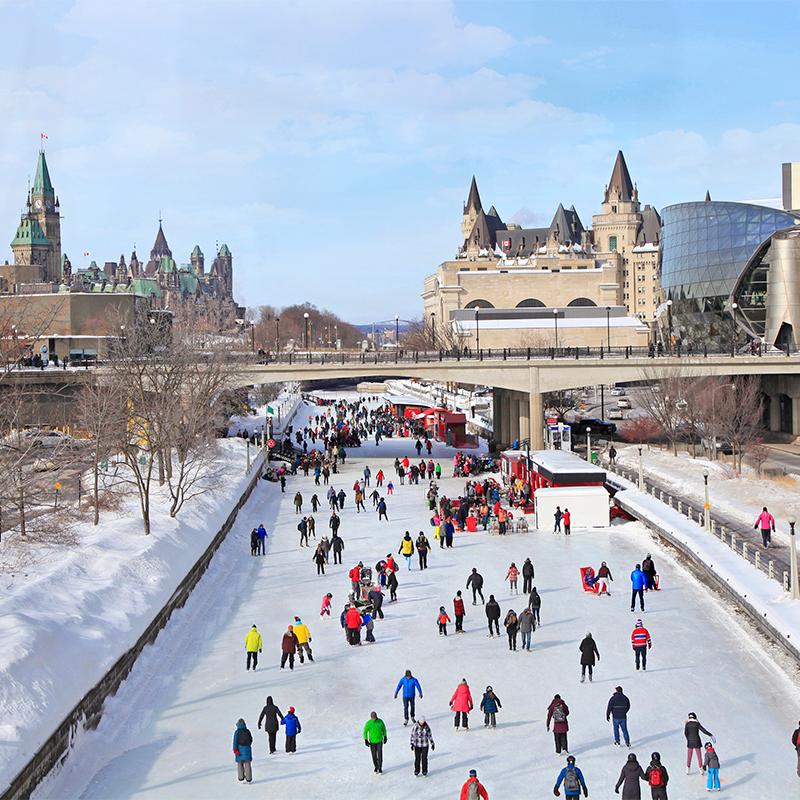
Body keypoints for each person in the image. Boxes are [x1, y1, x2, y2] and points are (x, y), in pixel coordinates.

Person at [232, 719, 253, 783]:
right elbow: (251, 739)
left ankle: (241, 778)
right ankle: (249, 779)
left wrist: (235, 749)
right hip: (247, 750)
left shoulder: (237, 732)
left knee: (240, 764)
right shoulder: (247, 731)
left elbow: (235, 741)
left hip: (239, 750)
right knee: (247, 764)